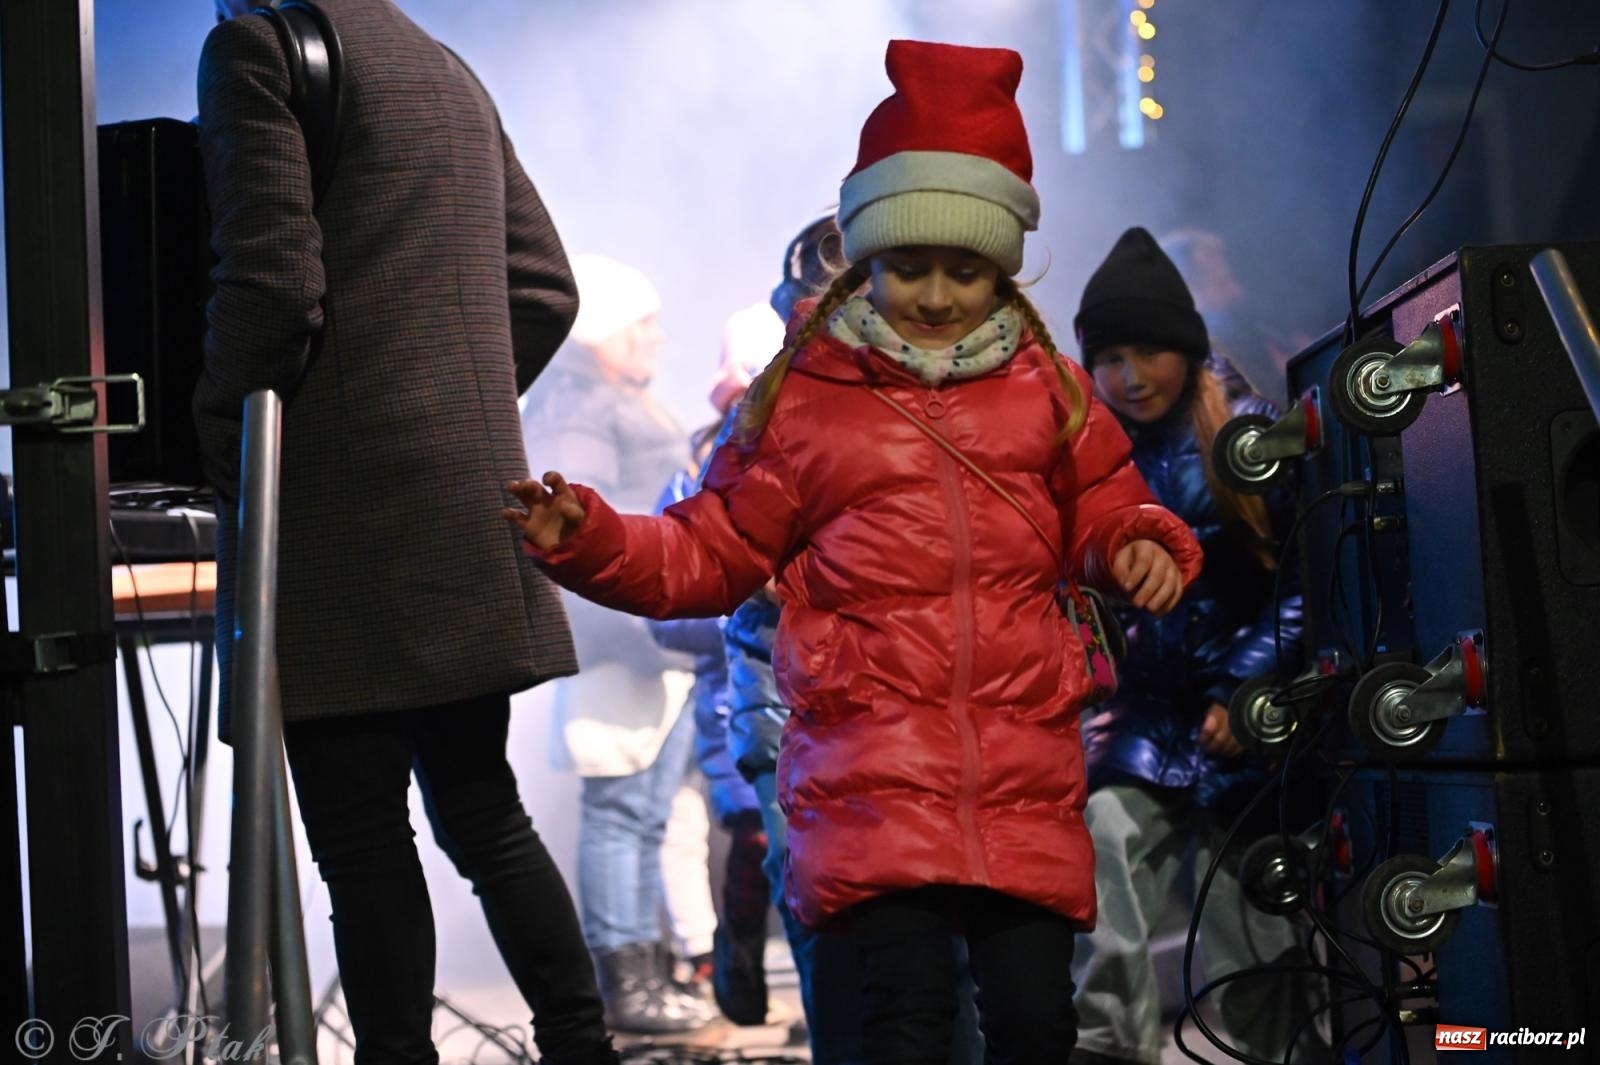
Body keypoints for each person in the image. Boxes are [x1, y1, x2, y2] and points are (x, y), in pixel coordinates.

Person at [504, 40, 1204, 1063]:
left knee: (1032, 1027)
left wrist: (1137, 541)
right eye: (907, 265)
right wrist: (594, 539)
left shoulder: (1050, 393)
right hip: (871, 778)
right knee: (902, 1027)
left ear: (1001, 268)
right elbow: (710, 549)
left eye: (962, 269)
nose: (932, 294)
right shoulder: (803, 405)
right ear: (864, 259)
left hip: (1021, 773)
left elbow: (1106, 501)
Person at [193, 2, 616, 1063]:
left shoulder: (254, 44)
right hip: (457, 500)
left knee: (362, 843)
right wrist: (448, 413)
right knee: (484, 813)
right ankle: (580, 1046)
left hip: (340, 506)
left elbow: (274, 284)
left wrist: (216, 433)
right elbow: (545, 287)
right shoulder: (439, 62)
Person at [1068, 227, 1324, 1065]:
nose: (1128, 376)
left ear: (1185, 348)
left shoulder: (1247, 434)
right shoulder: (1088, 453)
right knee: (1094, 847)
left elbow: (1310, 579)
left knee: (1253, 944)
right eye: (1108, 357)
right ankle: (1111, 1050)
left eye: (1147, 353)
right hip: (1139, 715)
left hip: (1246, 721)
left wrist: (1247, 691)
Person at [521, 253, 711, 1035]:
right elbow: (569, 523)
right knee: (621, 808)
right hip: (623, 638)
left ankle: (639, 973)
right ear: (602, 331)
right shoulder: (579, 407)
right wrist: (637, 628)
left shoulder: (605, 399)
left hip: (647, 635)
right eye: (644, 323)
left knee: (645, 809)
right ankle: (625, 983)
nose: (658, 338)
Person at [645, 301, 789, 1028]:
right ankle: (739, 948)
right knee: (764, 830)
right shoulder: (694, 478)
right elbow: (665, 614)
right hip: (737, 695)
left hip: (828, 687)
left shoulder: (823, 454)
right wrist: (742, 606)